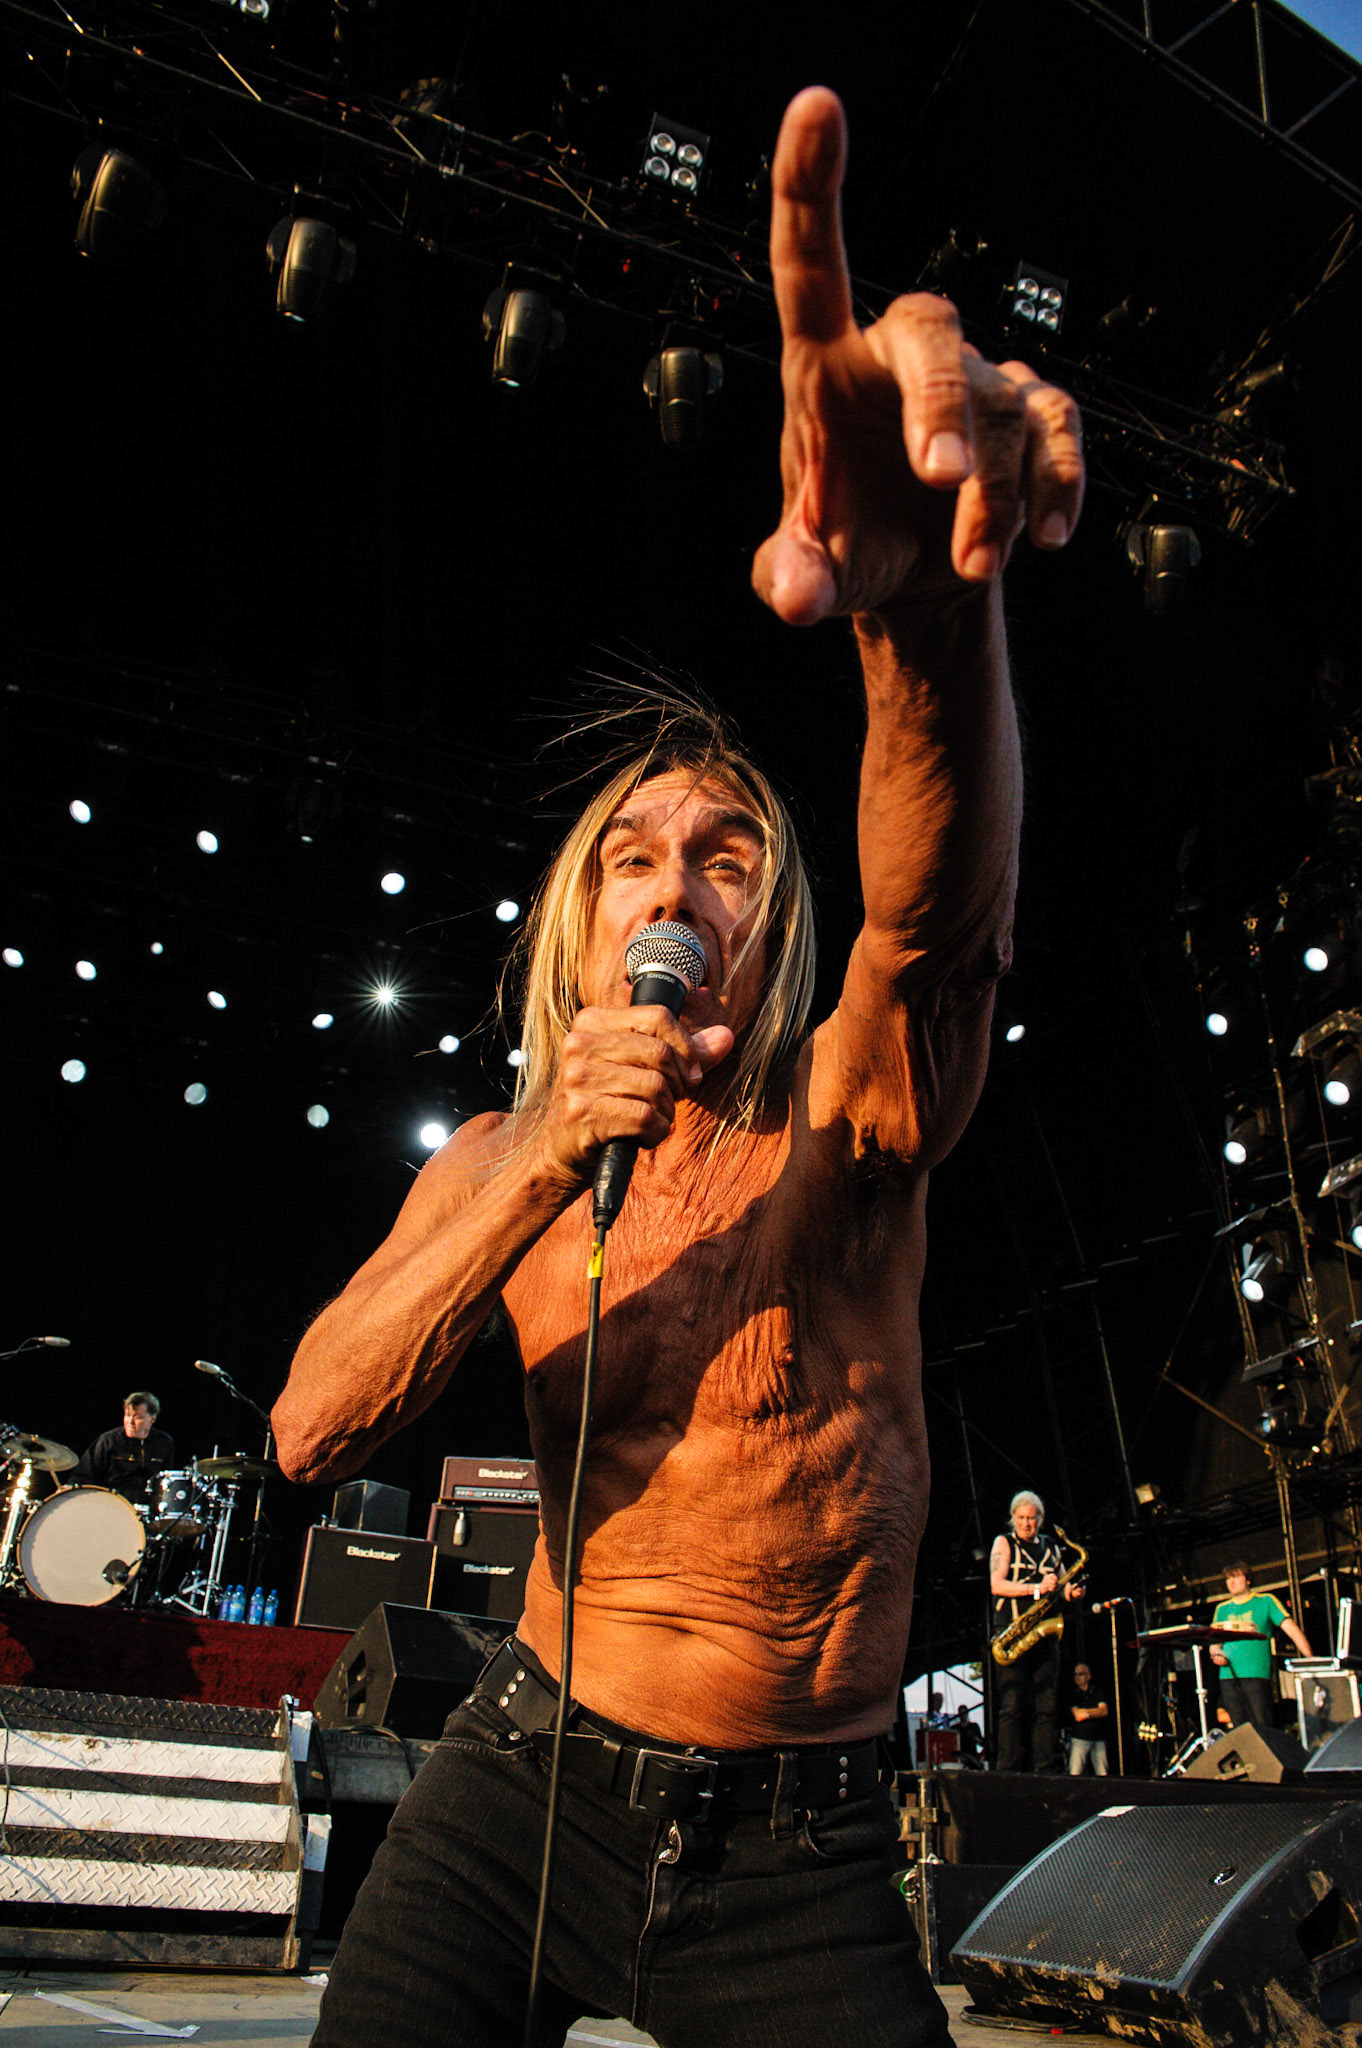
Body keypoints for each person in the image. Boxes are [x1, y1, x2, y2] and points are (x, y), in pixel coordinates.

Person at [272, 84, 1083, 2048]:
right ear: (578, 918)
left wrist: (925, 625)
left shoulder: (840, 1118)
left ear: (765, 915)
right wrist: (555, 1135)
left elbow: (938, 933)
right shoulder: (502, 1150)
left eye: (726, 854)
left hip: (798, 1841)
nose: (678, 880)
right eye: (632, 854)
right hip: (520, 1780)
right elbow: (312, 1429)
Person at [989, 1490, 1083, 1773]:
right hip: (1014, 1632)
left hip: (1045, 1634)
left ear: (1040, 1520)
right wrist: (1036, 1589)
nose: (1026, 1523)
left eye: (1031, 1518)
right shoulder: (1003, 1543)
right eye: (1021, 1518)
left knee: (1047, 1706)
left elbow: (1063, 1583)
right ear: (1013, 1518)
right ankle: (1008, 1769)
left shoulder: (1052, 1547)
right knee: (1013, 1705)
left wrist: (1072, 1592)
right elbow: (997, 1584)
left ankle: (1045, 1767)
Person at [1210, 1560, 1311, 1735]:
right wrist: (1216, 1654)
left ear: (1248, 1579)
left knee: (1262, 1725)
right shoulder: (1222, 1608)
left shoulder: (1265, 1601)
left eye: (1236, 1577)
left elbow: (1291, 1629)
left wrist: (1311, 1660)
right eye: (1228, 1579)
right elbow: (1214, 1643)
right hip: (1228, 1676)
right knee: (1238, 1727)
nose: (1231, 1582)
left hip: (1256, 1674)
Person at [70, 1391, 175, 1505]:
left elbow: (168, 1480)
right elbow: (82, 1476)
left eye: (138, 1417)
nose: (130, 1422)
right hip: (112, 1505)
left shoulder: (164, 1442)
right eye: (127, 1415)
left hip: (148, 1508)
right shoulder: (108, 1441)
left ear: (152, 1419)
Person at [1064, 1661, 1110, 1776]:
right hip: (1080, 1739)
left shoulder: (1097, 1692)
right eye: (1075, 1674)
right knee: (1075, 1773)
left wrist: (1087, 1713)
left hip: (1098, 1739)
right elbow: (1078, 1715)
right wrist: (1095, 1711)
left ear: (1088, 1676)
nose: (1077, 1677)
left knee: (1102, 1773)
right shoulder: (1073, 1694)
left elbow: (1104, 1711)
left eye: (1081, 1674)